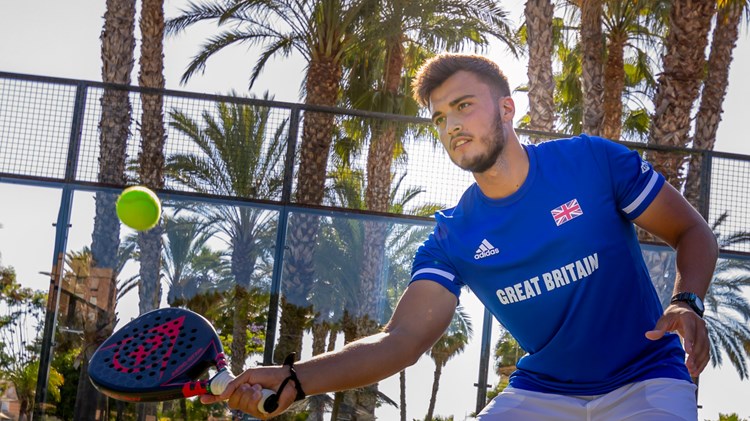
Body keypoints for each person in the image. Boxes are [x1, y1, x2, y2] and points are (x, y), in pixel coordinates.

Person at [201, 53, 718, 420]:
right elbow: (401, 341)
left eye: (464, 105)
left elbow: (690, 230)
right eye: (439, 117)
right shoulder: (452, 235)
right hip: (542, 392)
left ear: (507, 109)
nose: (451, 125)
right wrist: (295, 379)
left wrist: (687, 301)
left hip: (647, 381)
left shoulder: (591, 161)